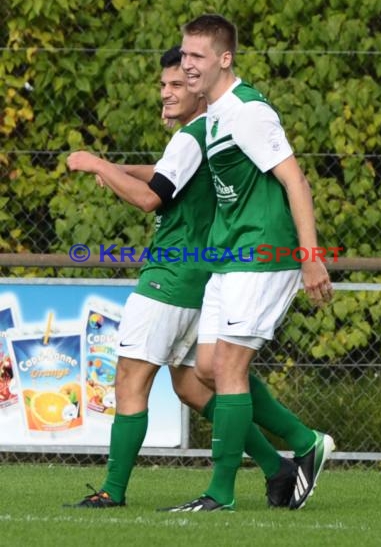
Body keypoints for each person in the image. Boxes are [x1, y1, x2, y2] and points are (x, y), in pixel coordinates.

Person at [64, 46, 299, 509]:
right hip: (203, 276)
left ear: (200, 89)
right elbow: (168, 179)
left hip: (170, 276)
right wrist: (120, 169)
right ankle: (279, 465)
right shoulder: (206, 136)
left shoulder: (193, 136)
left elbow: (152, 199)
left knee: (131, 376)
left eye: (179, 85)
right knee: (194, 384)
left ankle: (113, 490)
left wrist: (97, 164)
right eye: (165, 86)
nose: (168, 94)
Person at [159, 15, 335, 513]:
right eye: (184, 54)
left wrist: (311, 258)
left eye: (196, 56)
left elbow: (296, 182)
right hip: (229, 254)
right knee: (209, 368)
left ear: (224, 58)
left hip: (262, 254)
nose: (187, 64)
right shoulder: (214, 114)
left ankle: (219, 494)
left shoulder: (247, 111)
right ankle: (305, 443)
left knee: (230, 367)